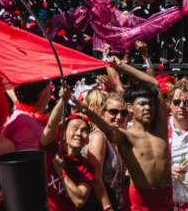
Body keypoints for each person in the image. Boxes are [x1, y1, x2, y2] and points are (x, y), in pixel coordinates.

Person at [73, 58, 172, 211]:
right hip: (141, 202)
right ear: (130, 107)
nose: (147, 107)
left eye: (151, 103)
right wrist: (85, 110)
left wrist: (121, 66)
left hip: (166, 200)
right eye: (142, 103)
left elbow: (155, 84)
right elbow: (107, 127)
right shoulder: (125, 136)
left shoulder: (160, 129)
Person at [40, 88, 94, 211]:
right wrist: (62, 101)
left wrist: (60, 172)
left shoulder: (88, 167)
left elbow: (79, 200)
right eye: (74, 128)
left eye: (84, 130)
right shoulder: (51, 149)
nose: (79, 133)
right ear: (63, 134)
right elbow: (51, 125)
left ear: (87, 140)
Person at [83, 90, 126, 211]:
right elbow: (96, 181)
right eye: (113, 112)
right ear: (101, 113)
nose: (119, 117)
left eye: (124, 113)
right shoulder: (98, 137)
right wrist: (108, 208)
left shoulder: (116, 140)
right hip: (97, 206)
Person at [167, 78, 188, 210]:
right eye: (176, 102)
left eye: (187, 102)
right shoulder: (159, 132)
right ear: (170, 104)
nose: (181, 106)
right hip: (165, 204)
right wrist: (165, 172)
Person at [1, 79, 51, 152]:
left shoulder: (22, 116)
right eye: (50, 89)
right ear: (42, 93)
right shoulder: (26, 122)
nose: (50, 96)